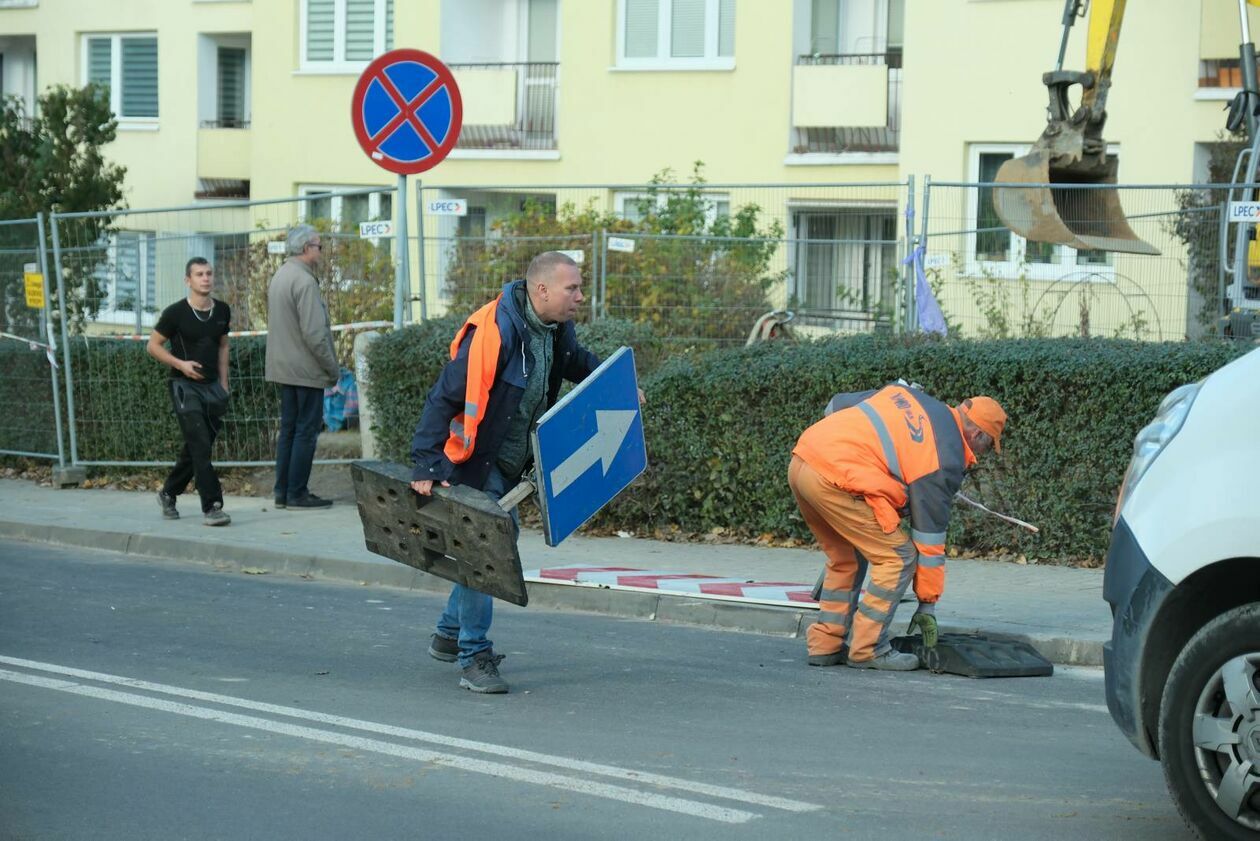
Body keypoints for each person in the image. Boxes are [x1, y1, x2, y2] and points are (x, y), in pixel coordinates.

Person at [409, 251, 603, 695]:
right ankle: (473, 656)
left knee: (496, 542)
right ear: (541, 290)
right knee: (488, 546)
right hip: (478, 460)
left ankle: (448, 631)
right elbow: (443, 396)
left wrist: (616, 383)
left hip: (514, 459)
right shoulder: (495, 333)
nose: (580, 296)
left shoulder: (555, 328)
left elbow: (573, 361)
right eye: (571, 288)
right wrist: (426, 462)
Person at [788, 383, 1007, 671]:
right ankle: (868, 649)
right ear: (977, 434)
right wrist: (927, 604)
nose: (983, 454)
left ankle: (826, 645)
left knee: (846, 558)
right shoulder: (945, 457)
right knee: (898, 557)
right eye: (988, 445)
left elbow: (835, 406)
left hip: (802, 460)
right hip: (835, 481)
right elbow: (928, 542)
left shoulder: (909, 395)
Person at [147, 257, 232, 526]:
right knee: (200, 444)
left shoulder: (222, 311)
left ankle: (168, 493)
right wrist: (180, 364)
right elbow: (153, 346)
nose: (205, 278)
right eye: (199, 274)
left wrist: (224, 384)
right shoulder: (175, 313)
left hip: (212, 388)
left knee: (196, 447)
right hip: (184, 387)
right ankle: (212, 506)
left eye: (208, 273)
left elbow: (223, 346)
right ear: (188, 280)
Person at [266, 224, 339, 510]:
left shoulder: (281, 275)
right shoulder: (305, 281)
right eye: (319, 246)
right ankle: (297, 492)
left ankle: (282, 492)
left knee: (289, 431)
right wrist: (331, 369)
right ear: (307, 248)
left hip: (285, 367)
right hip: (306, 370)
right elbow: (315, 334)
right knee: (306, 432)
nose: (321, 251)